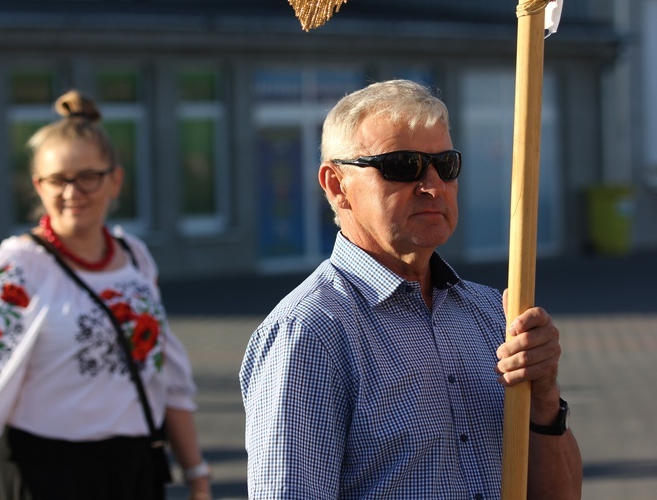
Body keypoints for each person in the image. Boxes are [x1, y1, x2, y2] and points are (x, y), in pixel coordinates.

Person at [240, 79, 582, 499]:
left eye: (446, 164)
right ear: (335, 184)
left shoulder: (491, 311)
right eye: (403, 165)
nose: (433, 186)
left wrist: (544, 396)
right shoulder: (310, 332)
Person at [0, 90, 212, 500]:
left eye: (88, 176)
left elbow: (168, 377)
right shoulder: (12, 271)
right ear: (38, 185)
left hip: (133, 470)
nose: (73, 193)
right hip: (45, 474)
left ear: (115, 180)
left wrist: (197, 475)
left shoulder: (135, 257)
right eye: (58, 180)